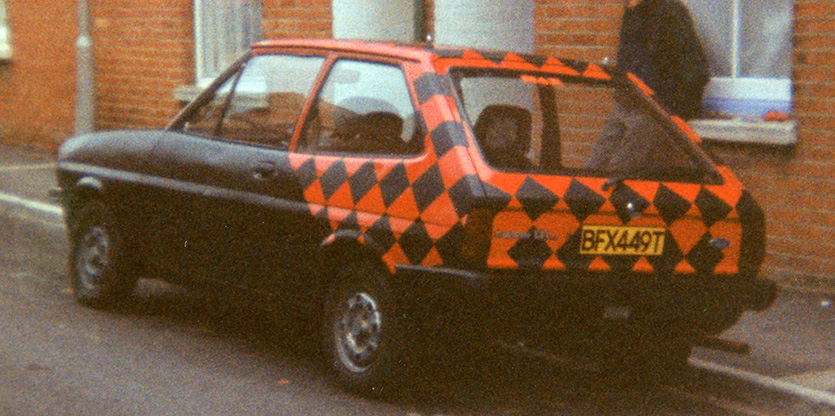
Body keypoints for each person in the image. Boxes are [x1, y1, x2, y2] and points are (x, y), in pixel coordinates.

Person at [618, 0, 710, 120]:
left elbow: (696, 67)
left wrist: (673, 106)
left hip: (660, 105)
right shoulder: (631, 14)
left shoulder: (669, 12)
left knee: (635, 135)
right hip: (632, 102)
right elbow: (628, 63)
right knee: (609, 138)